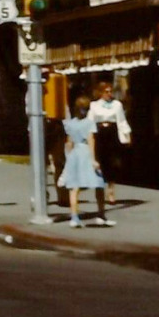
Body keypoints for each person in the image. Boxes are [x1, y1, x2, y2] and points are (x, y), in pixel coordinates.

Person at [58, 95, 115, 228]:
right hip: (85, 153)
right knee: (99, 184)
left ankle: (74, 217)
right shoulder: (89, 123)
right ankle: (101, 215)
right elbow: (91, 141)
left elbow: (69, 142)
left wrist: (68, 158)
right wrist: (93, 159)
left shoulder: (70, 123)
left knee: (74, 187)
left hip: (74, 155)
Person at [87, 80, 131, 204]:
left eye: (110, 91)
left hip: (112, 132)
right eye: (106, 91)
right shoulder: (94, 105)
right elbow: (90, 121)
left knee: (113, 161)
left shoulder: (117, 104)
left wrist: (127, 134)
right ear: (101, 93)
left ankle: (111, 190)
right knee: (101, 160)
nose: (109, 94)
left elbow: (121, 120)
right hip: (100, 133)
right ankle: (101, 186)